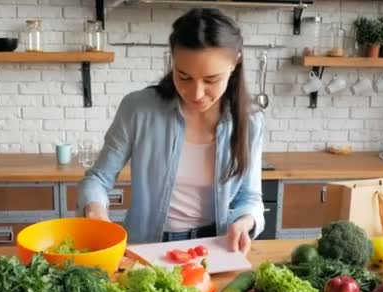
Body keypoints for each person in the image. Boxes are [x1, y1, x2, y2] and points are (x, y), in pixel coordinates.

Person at [77, 7, 265, 255]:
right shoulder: (138, 108)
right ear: (172, 62)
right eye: (184, 76)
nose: (196, 94)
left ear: (235, 63)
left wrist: (244, 222)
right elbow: (98, 179)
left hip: (214, 248)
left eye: (211, 80)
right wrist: (95, 212)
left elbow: (249, 198)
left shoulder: (250, 120)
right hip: (148, 246)